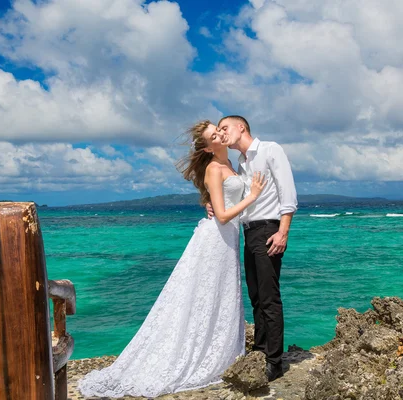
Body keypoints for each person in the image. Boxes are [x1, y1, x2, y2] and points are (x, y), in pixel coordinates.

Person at [77, 120, 266, 398]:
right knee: (200, 297)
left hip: (227, 241)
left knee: (219, 297)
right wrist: (252, 197)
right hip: (215, 240)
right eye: (214, 135)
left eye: (220, 130)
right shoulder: (214, 168)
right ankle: (193, 354)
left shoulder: (233, 166)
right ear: (206, 146)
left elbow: (221, 205)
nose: (220, 134)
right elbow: (224, 215)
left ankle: (218, 351)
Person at [207, 115, 297, 381]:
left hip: (269, 230)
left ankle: (274, 361)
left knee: (269, 297)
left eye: (224, 128)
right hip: (249, 233)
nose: (222, 134)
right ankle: (259, 351)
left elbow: (287, 192)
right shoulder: (241, 163)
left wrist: (283, 231)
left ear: (241, 127)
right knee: (256, 296)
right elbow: (237, 198)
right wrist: (211, 204)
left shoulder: (270, 149)